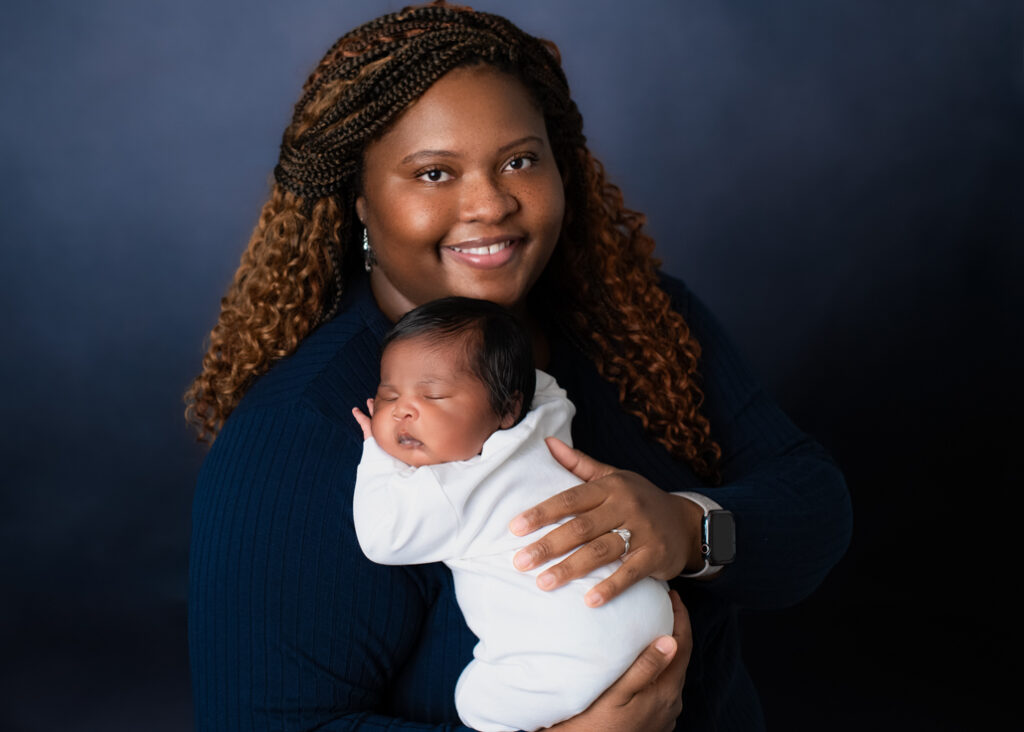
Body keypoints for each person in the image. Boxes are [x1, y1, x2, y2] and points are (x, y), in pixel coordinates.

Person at [185, 3, 852, 730]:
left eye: (518, 160)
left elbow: (812, 506)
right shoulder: (303, 433)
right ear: (361, 206)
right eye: (435, 172)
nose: (490, 203)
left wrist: (686, 529)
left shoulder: (638, 321)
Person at [350, 297, 674, 732]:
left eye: (433, 395)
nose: (403, 410)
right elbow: (539, 385)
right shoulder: (547, 418)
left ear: (505, 410)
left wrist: (376, 452)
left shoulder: (447, 491)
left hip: (574, 654)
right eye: (389, 395)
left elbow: (380, 538)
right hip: (651, 609)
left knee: (473, 703)